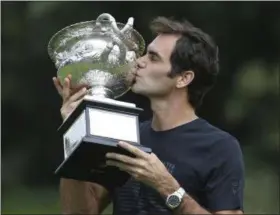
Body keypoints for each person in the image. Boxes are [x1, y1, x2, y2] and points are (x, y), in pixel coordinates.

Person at [53, 16, 244, 215]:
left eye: (153, 58)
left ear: (183, 78)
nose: (139, 62)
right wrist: (74, 129)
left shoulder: (220, 147)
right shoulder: (124, 135)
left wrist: (168, 187)